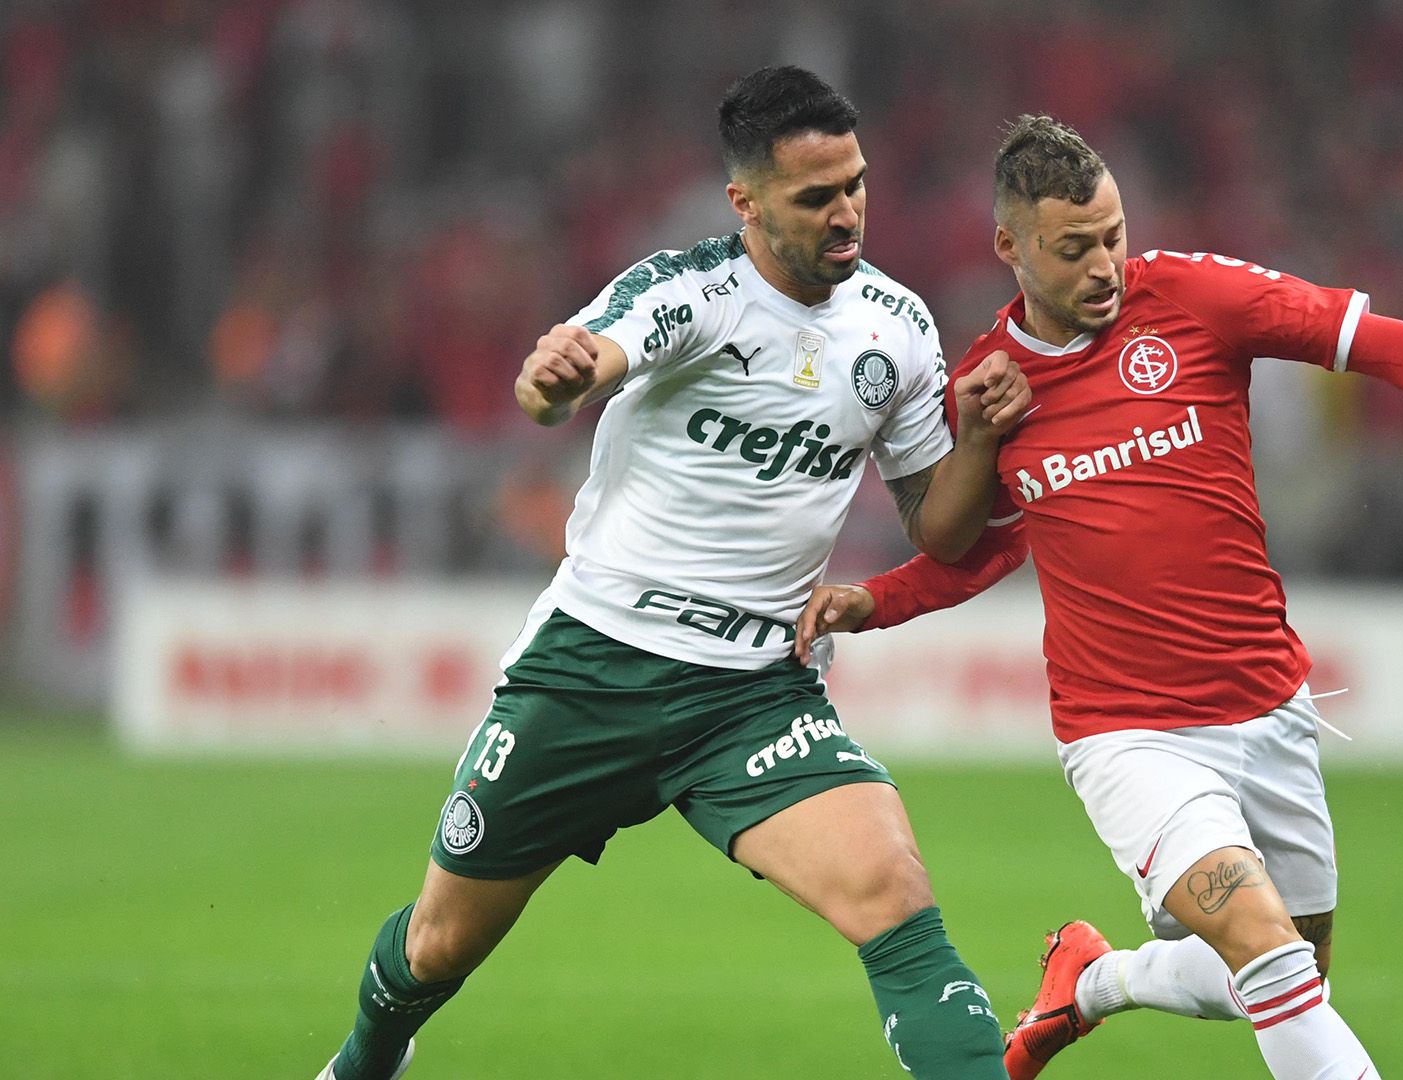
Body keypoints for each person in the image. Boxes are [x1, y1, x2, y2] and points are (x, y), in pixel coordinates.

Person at [794, 115, 1403, 1080]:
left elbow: (1372, 342)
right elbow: (972, 548)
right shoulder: (997, 385)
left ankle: (1096, 980)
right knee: (1268, 951)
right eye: (1073, 249)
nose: (1103, 266)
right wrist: (882, 592)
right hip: (1130, 736)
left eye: (1112, 236)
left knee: (1285, 971)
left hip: (1267, 704)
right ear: (1011, 247)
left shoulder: (1197, 299)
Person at [314, 66, 1031, 1080]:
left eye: (856, 184)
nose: (847, 214)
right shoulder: (688, 292)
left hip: (752, 690)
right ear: (744, 202)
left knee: (894, 895)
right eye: (815, 196)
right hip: (590, 668)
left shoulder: (900, 328)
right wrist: (554, 377)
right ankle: (363, 1061)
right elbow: (583, 365)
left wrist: (985, 444)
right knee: (438, 945)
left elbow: (941, 530)